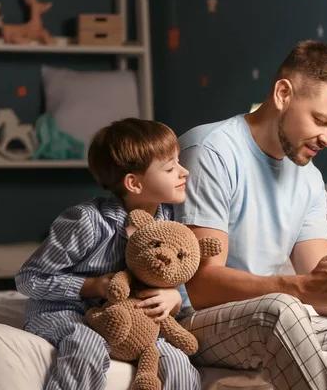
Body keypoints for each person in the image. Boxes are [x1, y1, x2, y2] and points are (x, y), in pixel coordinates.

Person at [174, 40, 327, 390]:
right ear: (282, 94)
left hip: (261, 319)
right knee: (282, 308)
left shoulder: (308, 178)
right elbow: (200, 286)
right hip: (192, 321)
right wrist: (293, 288)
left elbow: (321, 283)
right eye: (321, 120)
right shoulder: (210, 151)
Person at [15, 118, 200, 390]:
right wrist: (92, 286)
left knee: (176, 362)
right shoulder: (85, 221)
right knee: (87, 345)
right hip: (66, 311)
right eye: (171, 168)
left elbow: (177, 273)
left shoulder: (170, 224)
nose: (184, 172)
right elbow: (29, 279)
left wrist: (174, 296)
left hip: (133, 321)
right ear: (134, 184)